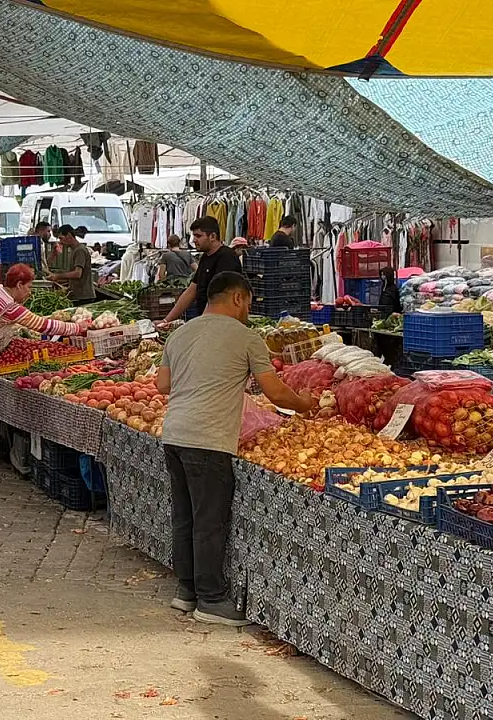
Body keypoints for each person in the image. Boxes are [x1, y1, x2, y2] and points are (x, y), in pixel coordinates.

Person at [156, 271, 313, 625]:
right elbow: (276, 393)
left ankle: (186, 592)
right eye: (249, 302)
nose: (248, 310)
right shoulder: (246, 337)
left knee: (185, 516)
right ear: (239, 298)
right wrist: (306, 404)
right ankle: (211, 600)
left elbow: (162, 385)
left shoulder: (180, 332)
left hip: (174, 434)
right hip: (208, 439)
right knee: (209, 521)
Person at [0, 264, 89, 468]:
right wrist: (76, 328)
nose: (29, 292)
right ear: (19, 285)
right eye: (28, 287)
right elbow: (41, 325)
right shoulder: (9, 307)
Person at [160, 217, 243, 324]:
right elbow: (191, 291)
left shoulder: (227, 258)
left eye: (198, 236)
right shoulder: (205, 257)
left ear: (212, 236)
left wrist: (203, 324)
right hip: (208, 321)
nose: (194, 240)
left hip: (222, 324)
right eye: (194, 235)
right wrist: (166, 321)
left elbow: (218, 298)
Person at [46, 224, 96, 305]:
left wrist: (57, 276)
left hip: (83, 297)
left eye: (61, 238)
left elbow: (77, 273)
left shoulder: (80, 250)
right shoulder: (74, 250)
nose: (60, 242)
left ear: (69, 235)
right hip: (77, 295)